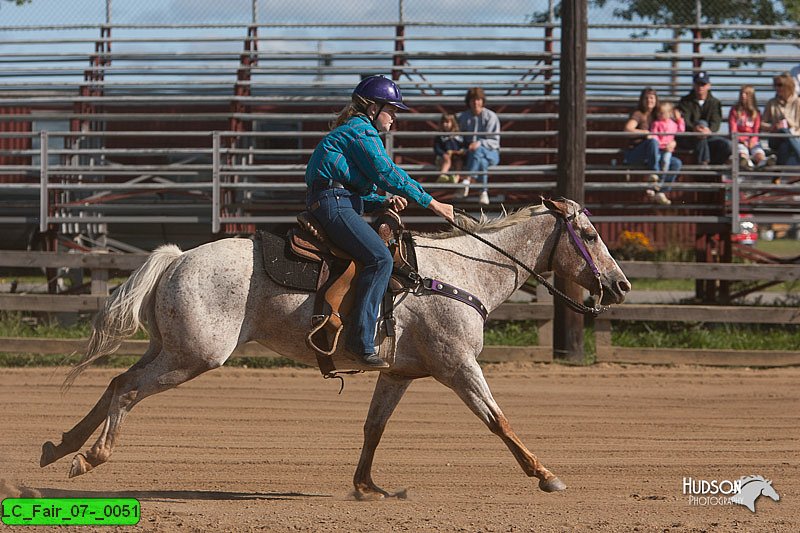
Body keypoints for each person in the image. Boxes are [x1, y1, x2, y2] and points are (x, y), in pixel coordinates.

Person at [304, 75, 455, 368]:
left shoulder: (353, 132)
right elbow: (387, 173)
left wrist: (383, 201)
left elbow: (353, 187)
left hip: (334, 200)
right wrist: (431, 202)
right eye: (392, 110)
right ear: (373, 107)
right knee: (380, 259)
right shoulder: (362, 132)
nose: (394, 117)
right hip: (335, 205)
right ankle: (360, 342)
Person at [622, 87, 680, 205]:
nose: (649, 100)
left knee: (676, 163)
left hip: (654, 154)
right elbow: (628, 129)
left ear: (656, 100)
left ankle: (661, 191)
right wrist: (646, 133)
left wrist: (673, 143)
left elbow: (671, 130)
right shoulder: (638, 114)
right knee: (653, 142)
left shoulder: (657, 115)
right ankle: (655, 174)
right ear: (642, 100)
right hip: (636, 153)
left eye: (652, 98)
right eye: (646, 98)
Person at [676, 71, 732, 165]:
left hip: (708, 136)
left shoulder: (715, 102)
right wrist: (695, 129)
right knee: (701, 129)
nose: (700, 87)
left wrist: (707, 130)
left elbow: (716, 122)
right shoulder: (685, 101)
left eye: (703, 84)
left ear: (708, 86)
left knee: (726, 145)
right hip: (689, 137)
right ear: (694, 85)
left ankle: (710, 166)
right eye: (698, 84)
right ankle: (703, 165)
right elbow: (684, 120)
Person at [457, 87, 500, 205]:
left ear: (482, 101)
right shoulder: (463, 117)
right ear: (469, 102)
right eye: (473, 100)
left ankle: (467, 180)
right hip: (471, 155)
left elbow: (495, 142)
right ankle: (483, 192)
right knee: (482, 162)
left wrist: (479, 143)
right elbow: (458, 136)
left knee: (479, 150)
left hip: (492, 153)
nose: (476, 102)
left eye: (478, 99)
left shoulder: (491, 116)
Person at [649, 101, 684, 205]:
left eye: (662, 113)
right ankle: (655, 185)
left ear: (669, 113)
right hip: (659, 148)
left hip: (667, 149)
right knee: (658, 160)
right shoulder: (656, 123)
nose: (660, 115)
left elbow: (681, 130)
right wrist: (660, 144)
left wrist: (679, 119)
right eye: (659, 113)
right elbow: (654, 135)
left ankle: (660, 185)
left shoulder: (673, 124)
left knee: (666, 161)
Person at [762, 72, 800, 166]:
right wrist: (773, 127)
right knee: (783, 131)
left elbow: (798, 126)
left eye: (779, 85)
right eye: (775, 85)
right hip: (775, 137)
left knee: (785, 146)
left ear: (788, 85)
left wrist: (789, 122)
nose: (776, 88)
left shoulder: (797, 102)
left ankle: (776, 177)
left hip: (794, 137)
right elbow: (761, 124)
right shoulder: (771, 102)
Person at [728, 85, 770, 169]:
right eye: (742, 93)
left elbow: (756, 130)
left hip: (752, 141)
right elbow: (733, 128)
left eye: (746, 94)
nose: (743, 96)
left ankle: (763, 161)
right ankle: (746, 163)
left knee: (758, 151)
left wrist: (753, 140)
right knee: (742, 151)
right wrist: (742, 140)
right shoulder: (734, 110)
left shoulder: (756, 112)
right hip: (739, 140)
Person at [433, 112, 464, 183]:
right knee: (447, 160)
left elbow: (463, 145)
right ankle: (442, 175)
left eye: (447, 122)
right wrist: (443, 154)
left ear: (453, 123)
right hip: (443, 157)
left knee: (459, 162)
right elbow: (436, 148)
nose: (445, 124)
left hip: (456, 156)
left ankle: (456, 176)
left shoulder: (458, 136)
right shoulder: (440, 136)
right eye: (443, 122)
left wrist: (460, 151)